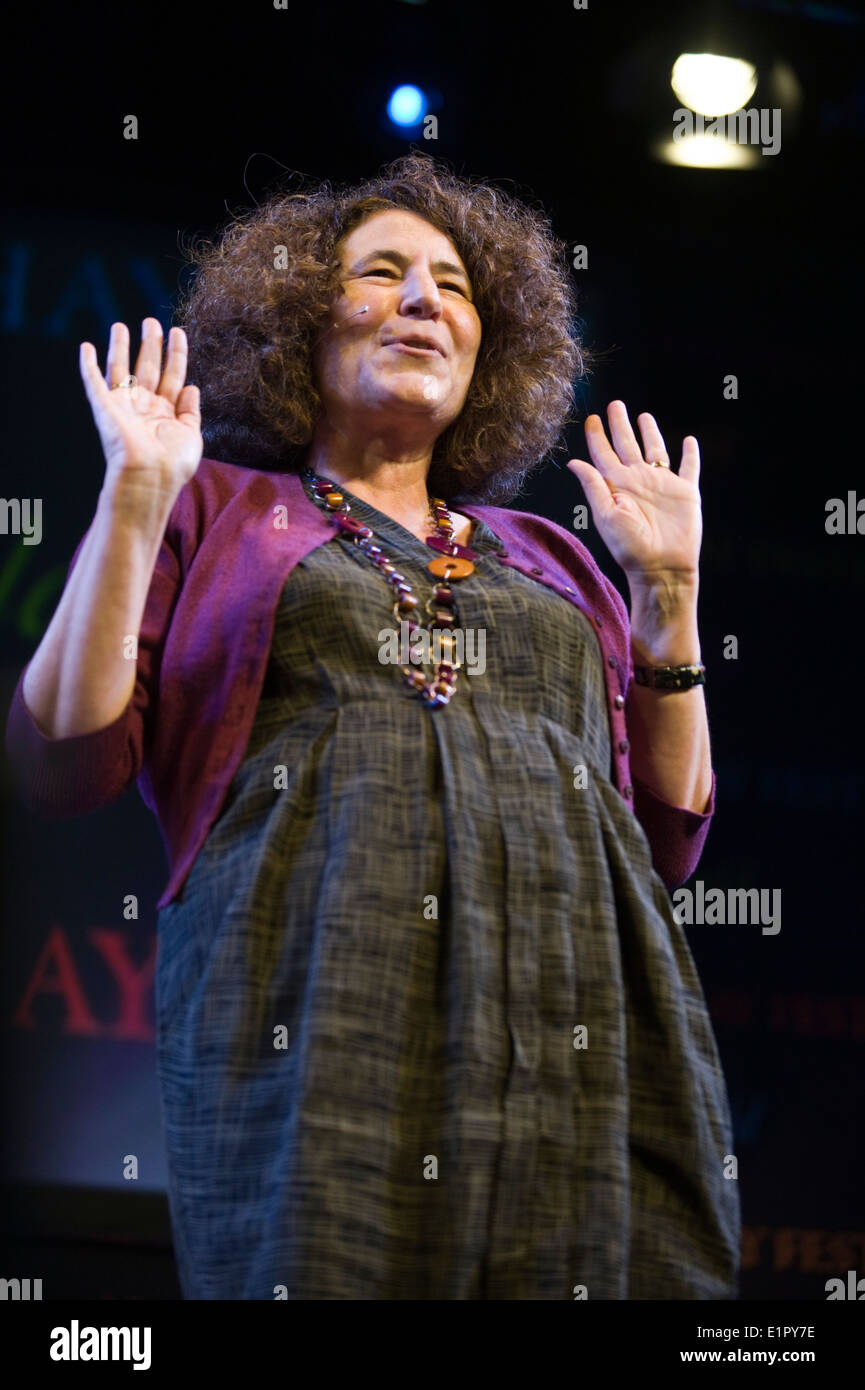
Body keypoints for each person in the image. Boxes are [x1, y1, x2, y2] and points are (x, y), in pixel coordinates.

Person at [5, 153, 740, 1300]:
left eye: (452, 286)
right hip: (321, 987)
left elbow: (663, 835)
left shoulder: (553, 557)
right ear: (299, 319)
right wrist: (135, 498)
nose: (422, 302)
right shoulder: (220, 509)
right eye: (382, 273)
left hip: (581, 1002)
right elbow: (63, 758)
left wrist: (670, 596)